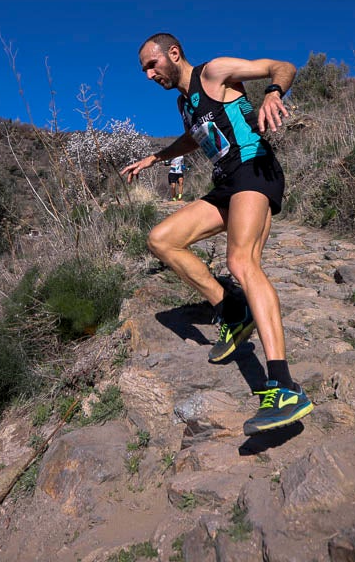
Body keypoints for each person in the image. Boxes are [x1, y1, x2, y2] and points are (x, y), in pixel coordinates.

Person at [121, 33, 312, 434]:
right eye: (144, 70)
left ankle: (283, 386)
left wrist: (274, 93)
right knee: (161, 239)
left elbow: (283, 66)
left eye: (152, 65)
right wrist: (156, 157)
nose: (149, 74)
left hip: (254, 170)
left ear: (174, 53)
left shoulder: (215, 71)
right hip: (226, 183)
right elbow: (195, 138)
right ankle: (232, 309)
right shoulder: (184, 103)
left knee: (241, 261)